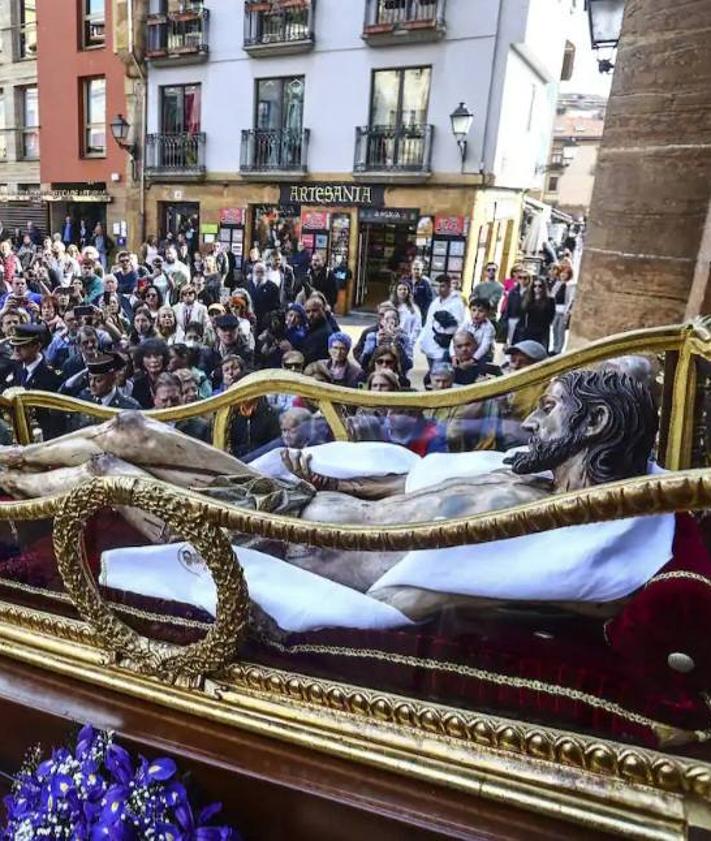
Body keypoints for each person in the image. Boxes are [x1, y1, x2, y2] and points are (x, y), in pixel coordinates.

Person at [75, 354, 141, 410]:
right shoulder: (84, 400)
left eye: (98, 380)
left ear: (112, 380)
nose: (92, 384)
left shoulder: (129, 407)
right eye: (90, 379)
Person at [515, 277, 555, 350]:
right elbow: (522, 314)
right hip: (528, 330)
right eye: (535, 286)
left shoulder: (550, 301)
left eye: (540, 286)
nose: (537, 288)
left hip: (542, 331)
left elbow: (550, 318)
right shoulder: (528, 299)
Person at [389, 280, 421, 356]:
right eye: (400, 289)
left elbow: (417, 327)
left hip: (406, 344)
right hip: (390, 342)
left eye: (405, 289)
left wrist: (411, 341)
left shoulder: (414, 309)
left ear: (408, 291)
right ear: (396, 291)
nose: (402, 291)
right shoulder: (390, 306)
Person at [302, 296, 334, 365]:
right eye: (307, 312)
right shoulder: (312, 328)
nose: (311, 315)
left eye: (314, 310)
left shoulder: (324, 333)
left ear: (323, 310)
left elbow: (310, 358)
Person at [465, 297, 497, 363]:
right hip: (468, 351)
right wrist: (453, 356)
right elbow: (456, 337)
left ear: (487, 313)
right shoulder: (466, 323)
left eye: (481, 311)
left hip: (483, 355)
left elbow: (484, 347)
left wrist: (472, 360)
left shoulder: (489, 328)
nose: (476, 314)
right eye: (473, 310)